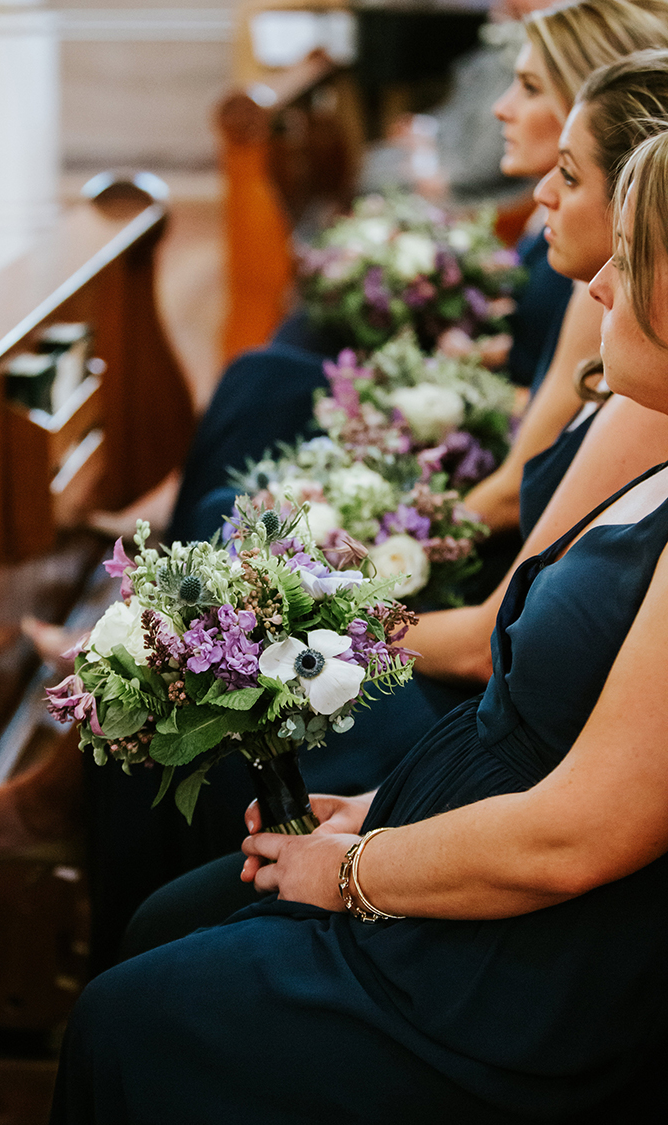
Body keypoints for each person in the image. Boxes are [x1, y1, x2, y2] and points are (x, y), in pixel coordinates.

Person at [0, 4, 668, 976]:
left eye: (532, 89)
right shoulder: (614, 324)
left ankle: (81, 853)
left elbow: (506, 613)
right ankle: (110, 707)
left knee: (234, 620)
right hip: (488, 686)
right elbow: (526, 450)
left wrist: (322, 625)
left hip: (482, 706)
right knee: (256, 430)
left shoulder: (630, 359)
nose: (503, 110)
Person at [48, 125, 668, 1125]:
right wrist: (380, 806)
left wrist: (352, 865)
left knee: (129, 1022)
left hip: (529, 979)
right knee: (160, 928)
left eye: (631, 256)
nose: (599, 285)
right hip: (457, 809)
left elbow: (578, 835)